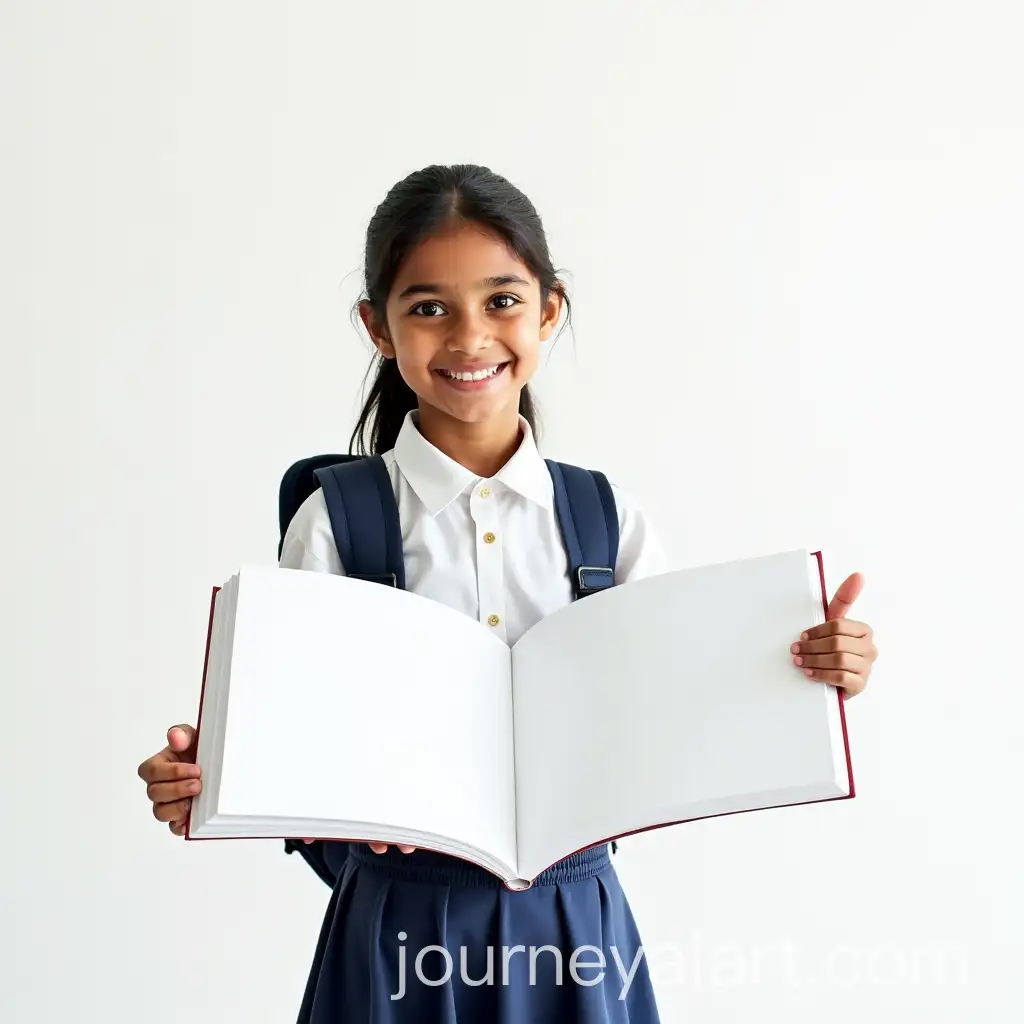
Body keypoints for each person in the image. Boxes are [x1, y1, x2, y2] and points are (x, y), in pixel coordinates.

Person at [137, 163, 878, 1022]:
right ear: (378, 327)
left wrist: (812, 672)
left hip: (573, 922)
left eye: (501, 301)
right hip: (394, 925)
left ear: (549, 310)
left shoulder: (608, 521)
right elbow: (297, 737)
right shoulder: (335, 523)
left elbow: (681, 715)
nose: (467, 336)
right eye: (427, 307)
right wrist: (207, 779)